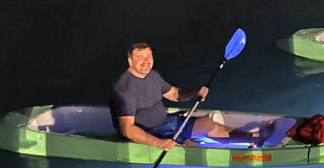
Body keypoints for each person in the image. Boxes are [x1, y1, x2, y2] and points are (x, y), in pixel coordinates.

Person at [110, 43, 272, 151]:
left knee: (208, 124)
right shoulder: (125, 89)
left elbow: (174, 94)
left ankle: (253, 139)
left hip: (168, 123)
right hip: (152, 133)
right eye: (140, 58)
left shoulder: (152, 76)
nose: (146, 62)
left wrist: (195, 93)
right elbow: (128, 129)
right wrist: (158, 143)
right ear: (130, 61)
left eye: (149, 57)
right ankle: (250, 141)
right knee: (193, 148)